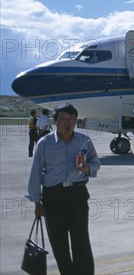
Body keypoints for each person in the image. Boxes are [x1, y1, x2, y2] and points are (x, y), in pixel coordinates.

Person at [27, 103, 100, 275]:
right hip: (54, 197)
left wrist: (87, 168)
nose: (68, 123)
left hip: (78, 195)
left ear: (76, 121)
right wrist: (37, 200)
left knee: (81, 242)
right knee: (59, 244)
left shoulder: (84, 140)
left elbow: (96, 162)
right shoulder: (45, 143)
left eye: (72, 120)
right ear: (55, 121)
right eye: (64, 119)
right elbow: (35, 172)